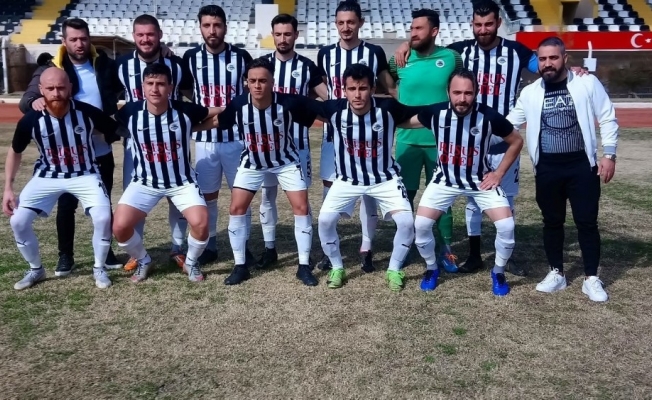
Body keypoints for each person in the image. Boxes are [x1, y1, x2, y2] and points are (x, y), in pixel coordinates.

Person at [506, 37, 617, 302]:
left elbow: (607, 116)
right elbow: (509, 124)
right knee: (552, 222)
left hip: (582, 166)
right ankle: (556, 272)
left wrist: (609, 154)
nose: (548, 63)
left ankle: (591, 278)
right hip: (547, 168)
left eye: (553, 58)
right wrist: (478, 127)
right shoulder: (530, 92)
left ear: (565, 58)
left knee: (587, 222)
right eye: (543, 59)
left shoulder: (586, 83)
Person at [400, 69, 523, 294]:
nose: (462, 98)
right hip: (444, 180)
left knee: (506, 226)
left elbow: (516, 141)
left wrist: (498, 173)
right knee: (421, 225)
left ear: (476, 92)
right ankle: (431, 268)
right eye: (457, 92)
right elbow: (405, 121)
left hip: (479, 181)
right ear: (448, 92)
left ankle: (498, 272)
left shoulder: (489, 116)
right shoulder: (435, 113)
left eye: (468, 93)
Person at [4, 68, 128, 290]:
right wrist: (8, 189)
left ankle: (99, 268)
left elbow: (116, 128)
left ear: (70, 88)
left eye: (61, 88)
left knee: (102, 217)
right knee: (18, 221)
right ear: (41, 90)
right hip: (47, 175)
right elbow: (15, 151)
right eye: (50, 88)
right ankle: (35, 269)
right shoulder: (31, 120)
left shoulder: (87, 112)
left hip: (85, 173)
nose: (56, 93)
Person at [18, 18, 123, 275]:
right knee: (66, 206)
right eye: (73, 39)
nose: (79, 44)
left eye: (83, 38)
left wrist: (164, 50)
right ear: (64, 41)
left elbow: (129, 80)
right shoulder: (52, 67)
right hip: (66, 156)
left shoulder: (105, 65)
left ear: (89, 40)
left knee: (102, 205)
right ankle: (66, 256)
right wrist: (33, 101)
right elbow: (28, 98)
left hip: (100, 149)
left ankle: (106, 252)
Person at [310, 64, 418, 291]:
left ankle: (394, 268)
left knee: (407, 222)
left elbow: (421, 115)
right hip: (347, 180)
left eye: (362, 88)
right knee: (325, 221)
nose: (357, 94)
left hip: (385, 179)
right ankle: (337, 267)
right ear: (344, 90)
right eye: (352, 89)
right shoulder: (334, 109)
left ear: (373, 89)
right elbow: (299, 106)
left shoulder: (387, 108)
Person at [213, 57, 319, 287]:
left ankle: (303, 265)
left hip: (286, 161)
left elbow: (319, 112)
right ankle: (240, 265)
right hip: (252, 162)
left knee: (301, 208)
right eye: (252, 81)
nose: (257, 85)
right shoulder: (238, 104)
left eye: (262, 80)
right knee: (236, 208)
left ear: (272, 82)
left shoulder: (288, 103)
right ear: (246, 82)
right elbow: (218, 121)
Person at [112, 63, 220, 283]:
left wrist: (193, 128)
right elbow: (105, 122)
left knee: (201, 223)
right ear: (143, 86)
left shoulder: (185, 110)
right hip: (144, 182)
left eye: (161, 84)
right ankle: (143, 260)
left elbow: (218, 113)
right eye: (150, 83)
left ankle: (191, 262)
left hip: (182, 182)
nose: (155, 89)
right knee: (119, 227)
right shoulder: (130, 112)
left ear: (170, 87)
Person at [316, 0, 398, 272]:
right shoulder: (325, 53)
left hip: (370, 136)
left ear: (360, 22)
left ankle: (366, 247)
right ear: (335, 24)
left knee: (369, 190)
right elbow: (324, 90)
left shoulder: (374, 52)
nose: (346, 27)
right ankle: (330, 249)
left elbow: (389, 87)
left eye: (351, 22)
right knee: (330, 188)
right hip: (335, 135)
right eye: (341, 22)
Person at [115, 14, 194, 272]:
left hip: (173, 142)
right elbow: (109, 98)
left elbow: (191, 95)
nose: (145, 39)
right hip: (138, 144)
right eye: (140, 35)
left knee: (177, 195)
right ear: (133, 36)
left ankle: (177, 248)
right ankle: (136, 253)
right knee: (135, 196)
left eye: (150, 34)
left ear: (159, 35)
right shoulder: (121, 64)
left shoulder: (177, 64)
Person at [387, 8, 463, 273]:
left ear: (434, 31)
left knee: (443, 197)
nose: (413, 33)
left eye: (419, 28)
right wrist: (394, 93)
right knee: (404, 197)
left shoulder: (452, 58)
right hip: (407, 140)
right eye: (411, 29)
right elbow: (384, 78)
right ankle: (405, 244)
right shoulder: (400, 59)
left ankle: (446, 248)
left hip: (441, 142)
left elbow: (462, 86)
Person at [183, 5, 255, 266]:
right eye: (207, 25)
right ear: (200, 28)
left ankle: (243, 245)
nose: (212, 31)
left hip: (237, 139)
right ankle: (210, 245)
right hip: (205, 141)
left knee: (242, 196)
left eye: (217, 25)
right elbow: (185, 90)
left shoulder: (241, 56)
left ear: (225, 27)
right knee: (207, 197)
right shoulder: (190, 57)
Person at [256, 14, 328, 269]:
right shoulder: (262, 65)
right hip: (266, 146)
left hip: (297, 146)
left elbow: (327, 97)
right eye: (278, 34)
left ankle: (304, 255)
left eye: (288, 34)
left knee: (301, 201)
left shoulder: (307, 67)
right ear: (272, 35)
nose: (283, 39)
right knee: (267, 197)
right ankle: (269, 248)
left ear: (296, 35)